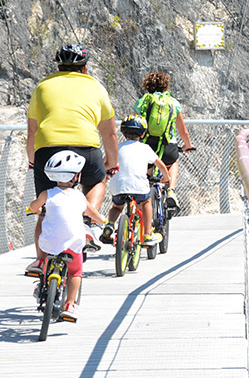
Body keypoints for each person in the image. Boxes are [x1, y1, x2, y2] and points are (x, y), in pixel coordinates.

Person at [26, 43, 118, 272]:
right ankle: (86, 221)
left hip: (47, 149)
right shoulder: (96, 87)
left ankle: (40, 261)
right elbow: (109, 133)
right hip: (85, 146)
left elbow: (32, 131)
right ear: (84, 68)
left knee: (45, 208)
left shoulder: (42, 87)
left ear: (58, 67)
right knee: (97, 181)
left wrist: (33, 160)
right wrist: (111, 163)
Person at [26, 150, 106, 322]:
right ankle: (70, 304)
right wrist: (103, 220)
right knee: (76, 271)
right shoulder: (79, 197)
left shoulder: (46, 194)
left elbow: (33, 206)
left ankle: (41, 273)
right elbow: (93, 213)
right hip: (73, 243)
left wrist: (34, 209)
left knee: (47, 249)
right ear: (75, 176)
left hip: (49, 242)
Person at [100, 115, 171, 246]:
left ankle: (110, 224)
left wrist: (105, 175)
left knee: (117, 207)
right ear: (143, 134)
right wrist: (166, 178)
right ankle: (147, 234)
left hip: (118, 186)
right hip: (139, 187)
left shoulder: (116, 147)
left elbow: (104, 164)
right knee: (146, 202)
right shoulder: (145, 148)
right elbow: (160, 165)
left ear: (123, 133)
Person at [134, 72, 195, 212]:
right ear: (166, 86)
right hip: (168, 145)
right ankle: (171, 191)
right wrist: (187, 145)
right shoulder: (173, 102)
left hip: (147, 145)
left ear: (147, 85)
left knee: (147, 174)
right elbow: (183, 131)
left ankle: (142, 204)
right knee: (172, 163)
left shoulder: (142, 101)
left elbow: (136, 126)